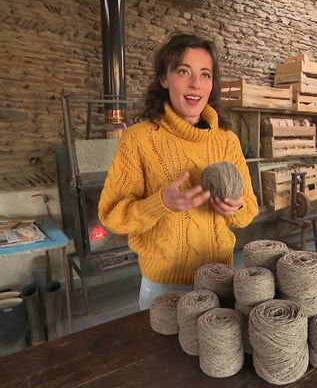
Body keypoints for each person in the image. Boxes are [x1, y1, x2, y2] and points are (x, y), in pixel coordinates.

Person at [98, 34, 259, 310]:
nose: (196, 83)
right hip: (164, 290)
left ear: (211, 84)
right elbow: (112, 216)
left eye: (205, 74)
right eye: (184, 71)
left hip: (221, 281)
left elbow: (249, 210)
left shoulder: (226, 140)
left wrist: (236, 205)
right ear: (164, 79)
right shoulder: (138, 140)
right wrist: (160, 204)